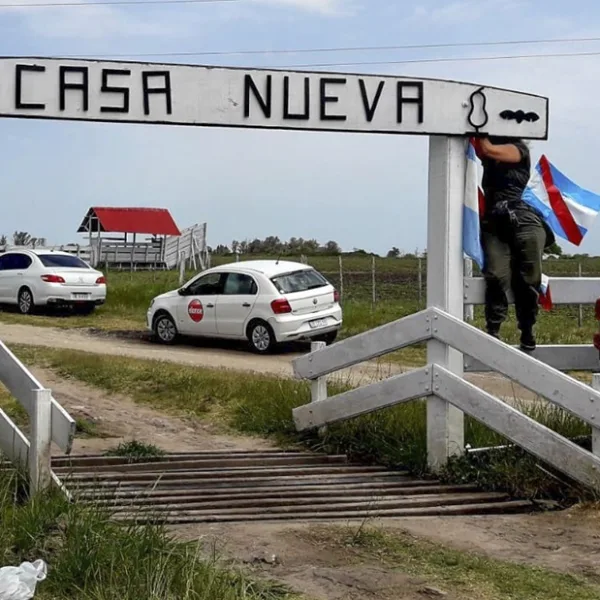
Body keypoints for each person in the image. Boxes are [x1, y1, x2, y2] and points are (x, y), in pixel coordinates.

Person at [472, 136, 555, 352]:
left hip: (522, 217)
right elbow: (482, 150)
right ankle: (493, 330)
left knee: (528, 277)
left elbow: (486, 148)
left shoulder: (518, 149)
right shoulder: (491, 156)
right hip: (495, 221)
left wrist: (476, 125)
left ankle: (527, 329)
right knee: (496, 274)